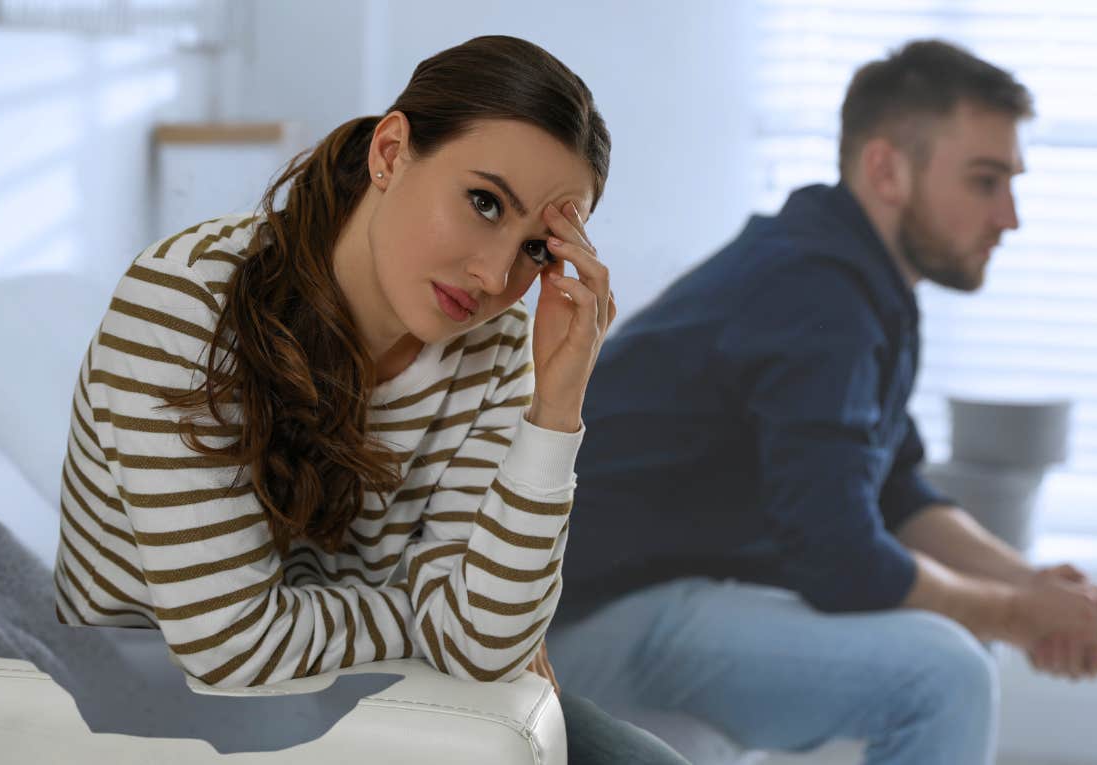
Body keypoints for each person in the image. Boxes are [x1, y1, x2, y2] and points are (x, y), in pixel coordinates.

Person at [54, 35, 687, 764]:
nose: (491, 274)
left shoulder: (501, 347)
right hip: (163, 709)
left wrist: (558, 407)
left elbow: (482, 643)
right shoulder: (183, 305)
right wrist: (425, 608)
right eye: (484, 202)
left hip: (374, 688)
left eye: (537, 251)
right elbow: (230, 648)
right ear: (390, 151)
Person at [547, 39, 1097, 765]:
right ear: (886, 168)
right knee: (946, 672)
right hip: (583, 622)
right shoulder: (816, 292)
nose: (1009, 216)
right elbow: (842, 557)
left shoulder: (854, 282)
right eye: (985, 180)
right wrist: (1017, 614)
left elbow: (897, 488)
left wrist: (1027, 582)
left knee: (961, 644)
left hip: (657, 600)